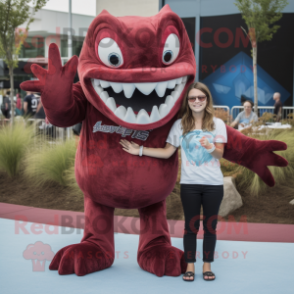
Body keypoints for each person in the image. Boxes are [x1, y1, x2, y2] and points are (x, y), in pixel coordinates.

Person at [119, 82, 227, 282]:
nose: (197, 101)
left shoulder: (217, 124)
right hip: (190, 185)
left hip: (213, 185)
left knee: (210, 227)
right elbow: (168, 151)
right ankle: (190, 266)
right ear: (187, 102)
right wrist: (140, 150)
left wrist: (210, 146)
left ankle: (207, 266)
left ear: (207, 100)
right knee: (190, 227)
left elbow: (219, 154)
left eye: (200, 98)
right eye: (192, 98)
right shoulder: (180, 125)